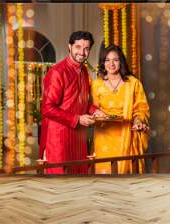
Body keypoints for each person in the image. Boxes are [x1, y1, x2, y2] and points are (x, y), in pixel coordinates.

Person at [40, 31, 105, 174]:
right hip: (59, 139)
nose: (82, 52)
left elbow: (82, 102)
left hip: (79, 139)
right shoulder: (57, 72)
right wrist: (77, 119)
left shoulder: (84, 71)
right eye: (78, 47)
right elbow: (47, 108)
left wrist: (95, 110)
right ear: (69, 47)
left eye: (86, 48)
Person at [91, 45, 150, 174]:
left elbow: (141, 107)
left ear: (121, 62)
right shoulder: (96, 84)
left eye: (115, 60)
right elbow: (91, 108)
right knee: (105, 177)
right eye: (107, 60)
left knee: (126, 178)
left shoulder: (133, 83)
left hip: (127, 135)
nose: (111, 64)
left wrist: (138, 120)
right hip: (103, 137)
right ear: (103, 62)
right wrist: (96, 113)